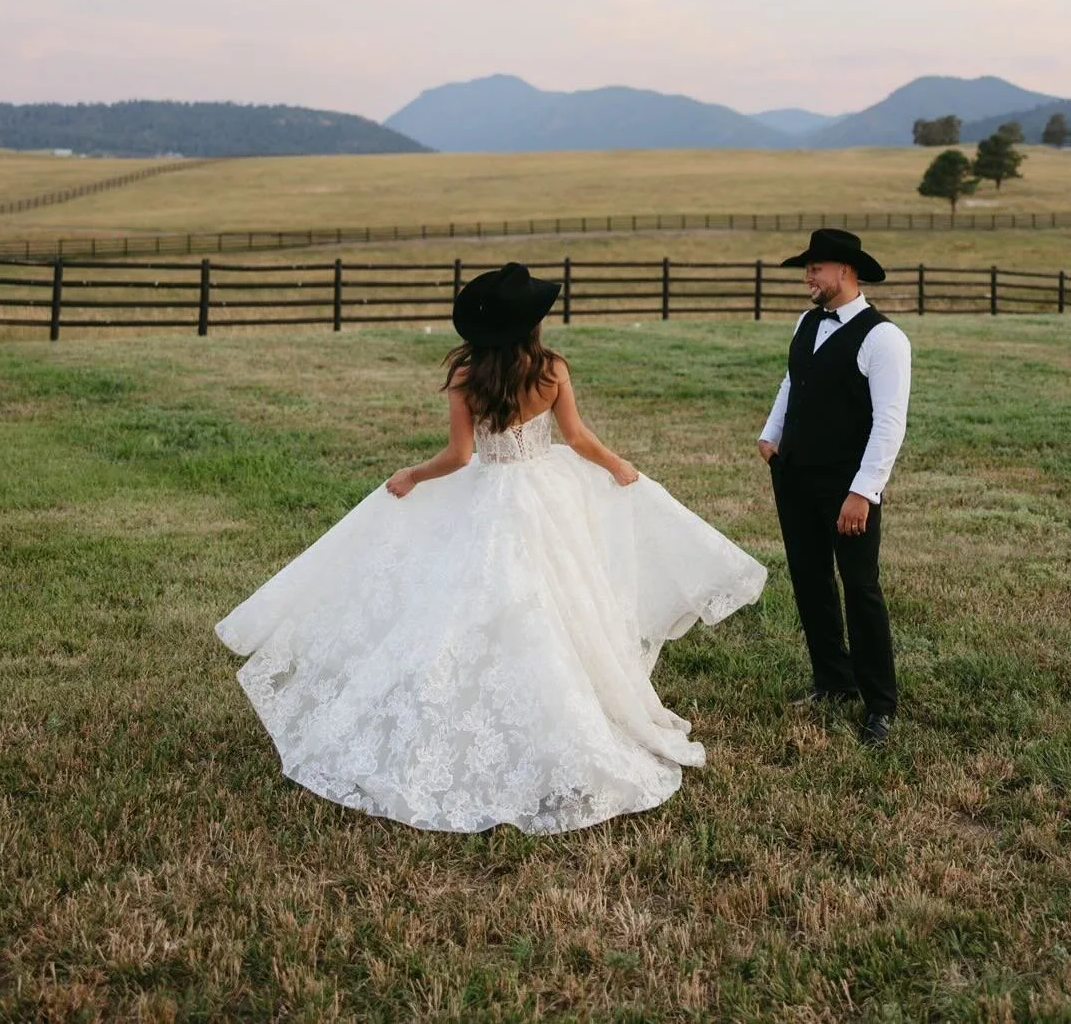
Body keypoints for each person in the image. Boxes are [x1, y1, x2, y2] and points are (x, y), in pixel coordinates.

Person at [217, 262, 766, 834]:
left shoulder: (467, 376)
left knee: (472, 603)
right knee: (559, 600)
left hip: (490, 495)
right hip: (548, 494)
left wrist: (413, 474)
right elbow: (577, 437)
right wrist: (616, 465)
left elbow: (458, 457)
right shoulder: (551, 369)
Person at [757, 228, 910, 746]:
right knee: (810, 580)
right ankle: (832, 680)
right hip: (795, 475)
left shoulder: (884, 339)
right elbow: (792, 381)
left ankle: (880, 704)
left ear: (845, 270)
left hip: (847, 486)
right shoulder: (807, 322)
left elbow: (889, 423)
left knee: (860, 589)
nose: (808, 276)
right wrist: (770, 434)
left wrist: (863, 492)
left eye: (815, 268)